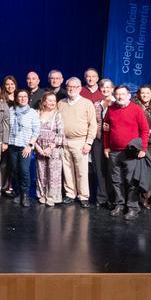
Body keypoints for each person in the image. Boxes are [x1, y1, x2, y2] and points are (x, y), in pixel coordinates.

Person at [105, 85, 150, 220]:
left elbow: (145, 130)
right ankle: (119, 205)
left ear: (129, 95)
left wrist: (143, 148)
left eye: (123, 94)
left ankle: (132, 208)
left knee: (131, 182)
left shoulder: (136, 109)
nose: (120, 97)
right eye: (117, 94)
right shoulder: (111, 109)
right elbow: (106, 130)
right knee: (116, 180)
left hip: (131, 152)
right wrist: (106, 147)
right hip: (114, 152)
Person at [59, 77, 97, 209]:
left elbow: (93, 125)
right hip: (64, 141)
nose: (71, 89)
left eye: (74, 87)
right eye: (69, 86)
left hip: (80, 142)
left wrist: (88, 143)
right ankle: (70, 194)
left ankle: (84, 196)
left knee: (81, 171)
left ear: (80, 89)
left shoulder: (87, 103)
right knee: (67, 169)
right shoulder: (61, 103)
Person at [6, 89, 39, 207]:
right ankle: (18, 193)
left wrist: (30, 146)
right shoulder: (11, 111)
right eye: (20, 97)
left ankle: (25, 195)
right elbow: (6, 128)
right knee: (14, 170)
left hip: (26, 147)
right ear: (16, 98)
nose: (22, 99)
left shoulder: (32, 112)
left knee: (24, 171)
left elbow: (36, 131)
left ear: (28, 98)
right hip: (12, 145)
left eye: (25, 96)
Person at [33, 92, 64, 206]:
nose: (52, 103)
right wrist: (38, 147)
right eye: (49, 100)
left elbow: (60, 133)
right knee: (40, 172)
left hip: (53, 148)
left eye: (54, 101)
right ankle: (42, 194)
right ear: (44, 101)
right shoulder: (37, 113)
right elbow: (32, 131)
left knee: (53, 173)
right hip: (39, 147)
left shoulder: (57, 115)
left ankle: (52, 196)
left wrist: (50, 148)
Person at [89, 78, 116, 207]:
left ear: (113, 89)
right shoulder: (96, 104)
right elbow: (92, 122)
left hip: (113, 142)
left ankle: (112, 198)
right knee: (99, 169)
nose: (105, 90)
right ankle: (101, 198)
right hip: (98, 140)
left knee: (111, 170)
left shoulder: (117, 103)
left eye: (108, 87)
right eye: (103, 87)